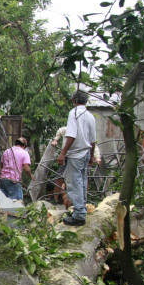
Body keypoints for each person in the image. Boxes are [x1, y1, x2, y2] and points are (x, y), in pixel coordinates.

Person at [57, 90, 97, 226]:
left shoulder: (74, 113)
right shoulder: (90, 116)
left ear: (73, 100)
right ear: (85, 101)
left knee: (74, 184)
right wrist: (91, 156)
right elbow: (93, 140)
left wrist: (63, 153)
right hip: (86, 152)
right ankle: (81, 210)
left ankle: (79, 214)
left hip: (76, 154)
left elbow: (71, 136)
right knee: (83, 182)